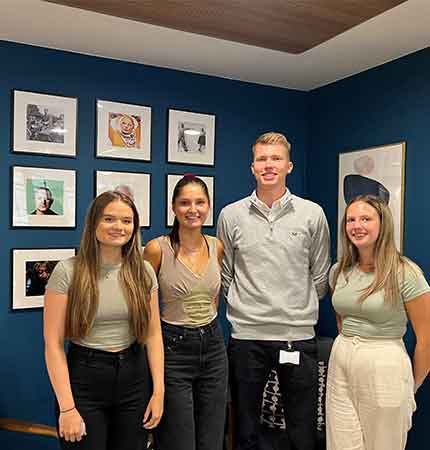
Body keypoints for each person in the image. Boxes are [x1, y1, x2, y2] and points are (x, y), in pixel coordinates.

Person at [217, 132, 331, 450]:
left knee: (301, 429)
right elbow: (226, 275)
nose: (269, 165)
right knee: (245, 429)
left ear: (289, 166)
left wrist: (295, 305)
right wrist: (248, 306)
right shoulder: (231, 215)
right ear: (252, 166)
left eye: (276, 158)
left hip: (296, 336)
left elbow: (320, 274)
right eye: (262, 159)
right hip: (247, 338)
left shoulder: (312, 214)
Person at [43, 190, 164, 450]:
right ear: (94, 223)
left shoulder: (143, 272)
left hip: (135, 378)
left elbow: (154, 335)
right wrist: (67, 408)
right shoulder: (68, 271)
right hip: (84, 380)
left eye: (126, 220)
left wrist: (159, 392)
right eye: (109, 219)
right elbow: (53, 344)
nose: (118, 227)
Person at [326, 194, 430, 450]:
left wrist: (411, 386)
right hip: (341, 361)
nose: (356, 225)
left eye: (366, 219)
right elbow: (343, 319)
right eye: (351, 220)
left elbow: (426, 338)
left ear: (383, 223)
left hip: (385, 364)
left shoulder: (406, 272)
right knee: (341, 443)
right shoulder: (340, 271)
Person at [144, 175, 228, 450]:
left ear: (208, 206)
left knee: (212, 439)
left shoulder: (216, 246)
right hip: (173, 349)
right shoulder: (157, 249)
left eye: (200, 202)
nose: (193, 209)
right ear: (173, 208)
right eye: (184, 203)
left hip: (214, 347)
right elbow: (145, 309)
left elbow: (214, 299)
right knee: (179, 440)